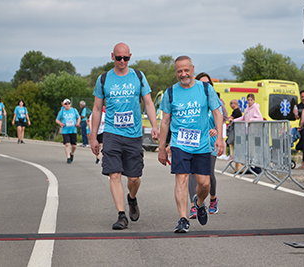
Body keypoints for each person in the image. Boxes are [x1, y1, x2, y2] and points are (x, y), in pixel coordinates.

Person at [90, 42, 159, 230]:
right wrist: (93, 136)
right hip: (112, 133)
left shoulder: (138, 76)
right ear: (112, 56)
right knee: (114, 174)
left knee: (134, 178)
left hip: (134, 134)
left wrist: (154, 126)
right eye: (118, 57)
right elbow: (97, 109)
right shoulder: (104, 79)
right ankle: (121, 215)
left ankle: (132, 198)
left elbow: (148, 103)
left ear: (130, 57)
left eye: (126, 58)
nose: (122, 61)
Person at [158, 56, 224, 233]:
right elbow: (165, 122)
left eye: (186, 70)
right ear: (175, 72)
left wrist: (220, 138)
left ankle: (199, 202)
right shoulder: (170, 93)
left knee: (204, 184)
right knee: (181, 178)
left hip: (202, 143)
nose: (183, 74)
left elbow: (218, 114)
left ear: (193, 69)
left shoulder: (205, 89)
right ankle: (183, 218)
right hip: (180, 142)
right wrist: (162, 147)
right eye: (179, 71)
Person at [187, 73, 222, 219]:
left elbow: (220, 120)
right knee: (191, 174)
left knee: (208, 174)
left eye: (207, 83)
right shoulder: (191, 101)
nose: (204, 86)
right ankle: (194, 206)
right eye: (201, 83)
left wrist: (217, 131)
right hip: (194, 142)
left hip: (210, 143)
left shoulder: (215, 102)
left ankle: (213, 198)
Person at [56, 99, 81, 164]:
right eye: (66, 104)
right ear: (63, 105)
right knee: (67, 144)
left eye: (68, 103)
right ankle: (68, 157)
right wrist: (60, 123)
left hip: (73, 130)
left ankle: (72, 153)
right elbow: (57, 120)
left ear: (70, 104)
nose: (67, 105)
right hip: (65, 130)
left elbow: (78, 117)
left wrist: (78, 123)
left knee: (74, 146)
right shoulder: (61, 112)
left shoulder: (74, 110)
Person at [293, 90, 304, 168]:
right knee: (303, 145)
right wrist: (295, 113)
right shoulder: (298, 106)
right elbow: (297, 118)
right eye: (302, 97)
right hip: (302, 128)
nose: (303, 98)